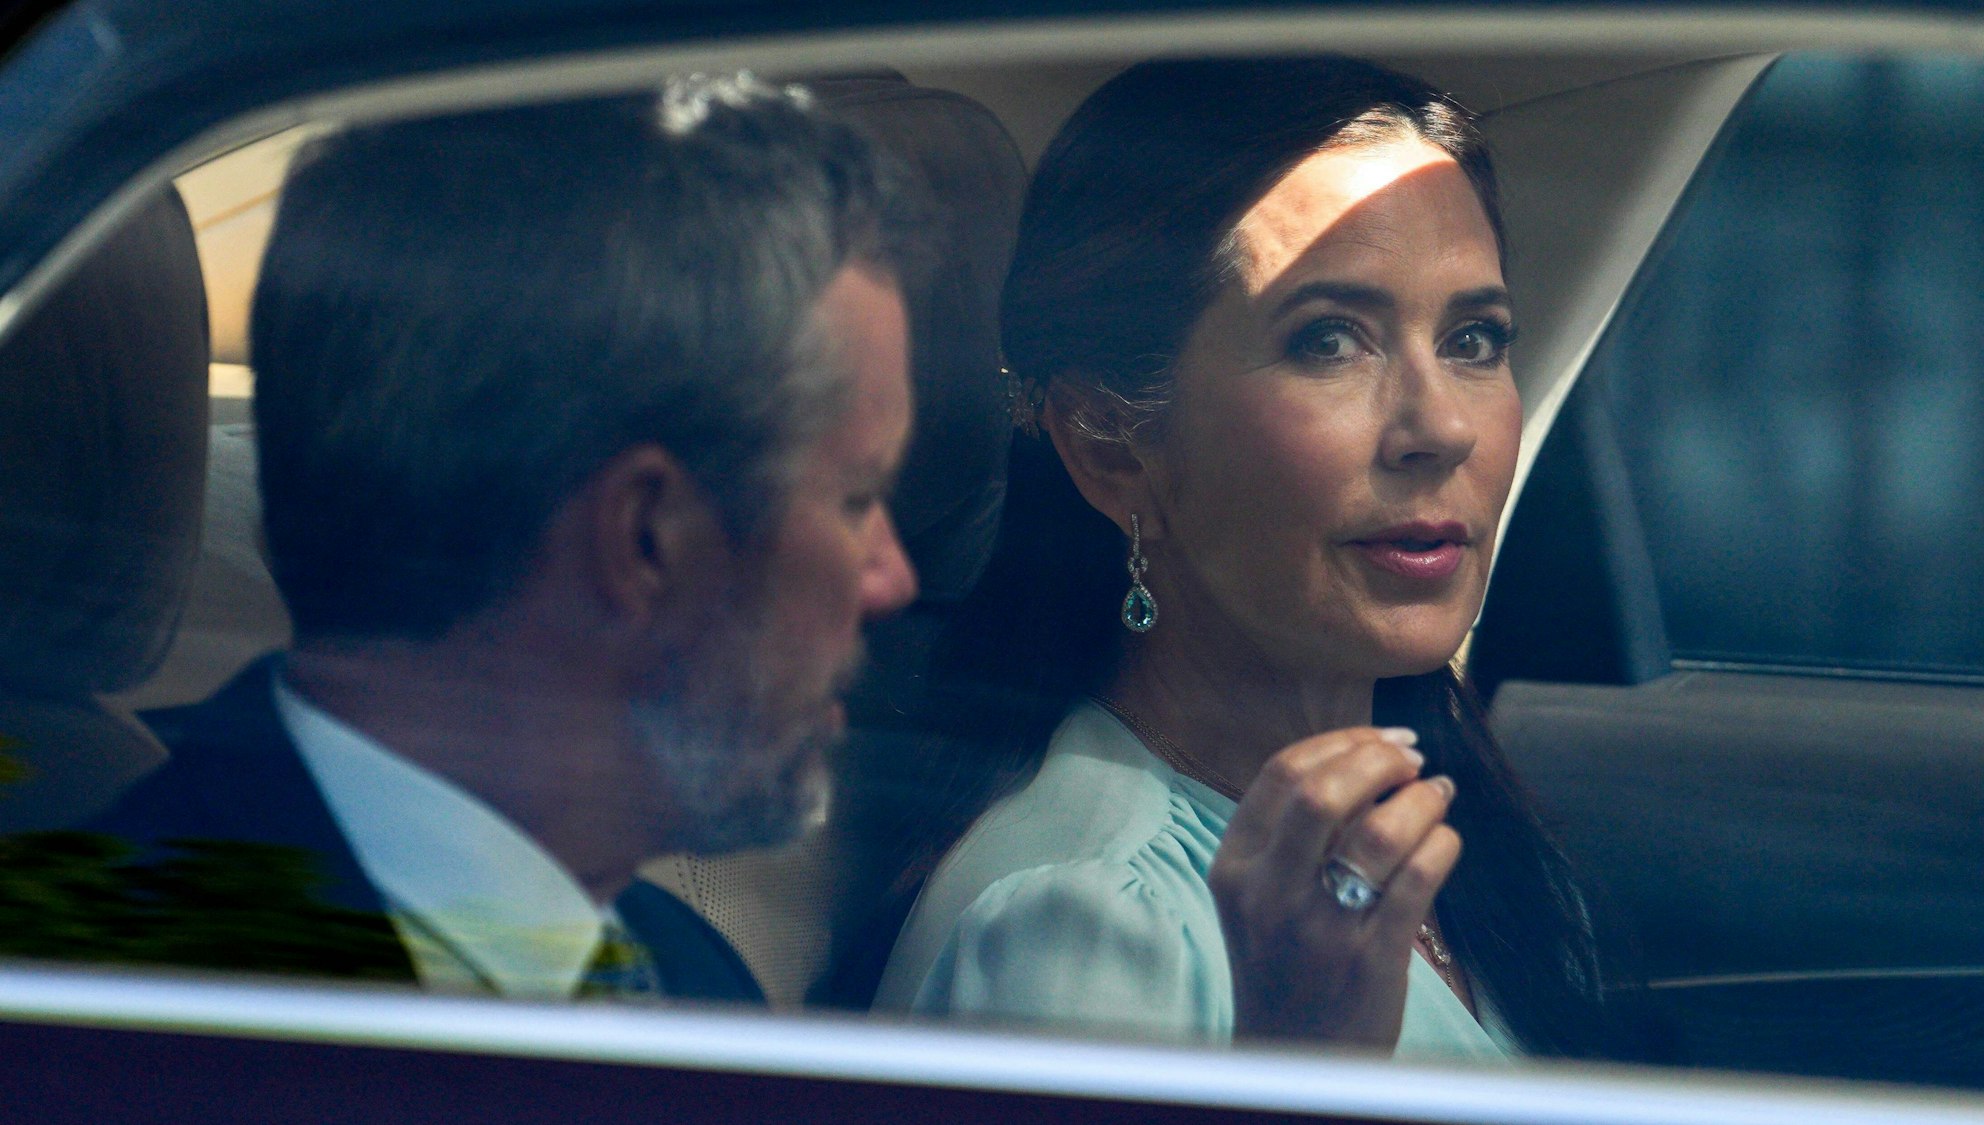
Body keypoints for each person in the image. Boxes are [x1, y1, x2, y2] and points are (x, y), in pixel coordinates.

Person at [77, 75, 924, 1001]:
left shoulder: (690, 971)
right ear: (648, 536)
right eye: (858, 499)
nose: (893, 577)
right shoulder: (106, 1017)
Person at [873, 57, 1650, 1059]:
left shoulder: (1465, 839)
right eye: (1328, 341)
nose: (1441, 427)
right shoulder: (1080, 926)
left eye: (1473, 337)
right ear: (1108, 444)